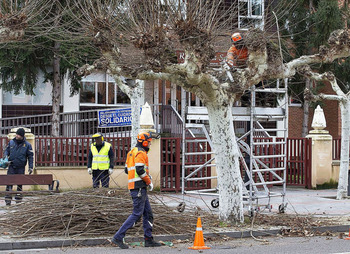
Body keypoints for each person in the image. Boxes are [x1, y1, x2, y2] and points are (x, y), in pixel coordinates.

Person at [111, 131, 161, 249]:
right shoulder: (140, 153)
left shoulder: (131, 152)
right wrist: (148, 181)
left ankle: (148, 239)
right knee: (137, 214)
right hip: (139, 187)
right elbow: (139, 170)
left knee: (148, 214)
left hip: (137, 187)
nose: (149, 144)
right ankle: (118, 237)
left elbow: (127, 170)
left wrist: (145, 178)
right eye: (149, 142)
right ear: (144, 142)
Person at [4, 128, 34, 205]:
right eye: (16, 134)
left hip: (21, 167)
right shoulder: (11, 142)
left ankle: (18, 201)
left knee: (19, 185)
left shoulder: (27, 145)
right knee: (9, 183)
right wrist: (6, 156)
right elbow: (6, 151)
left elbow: (30, 157)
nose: (17, 136)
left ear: (22, 136)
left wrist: (31, 167)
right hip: (11, 166)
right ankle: (8, 200)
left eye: (18, 135)